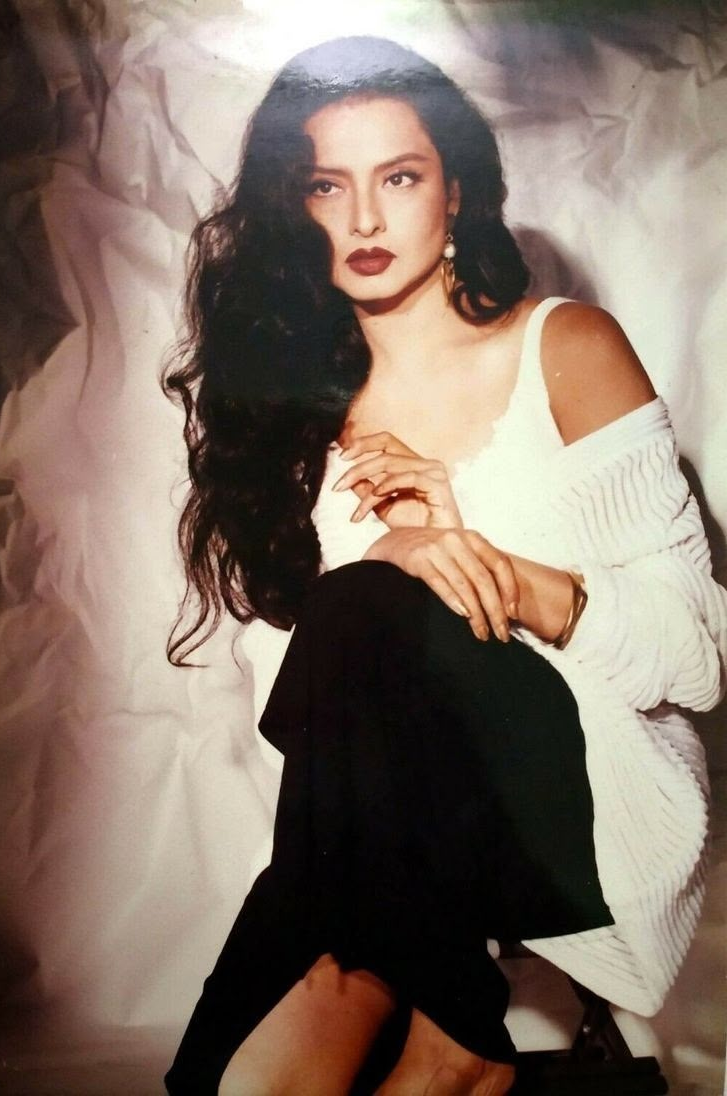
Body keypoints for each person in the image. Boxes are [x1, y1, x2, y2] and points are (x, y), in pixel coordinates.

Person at [163, 35, 726, 1096]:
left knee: (372, 598)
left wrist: (486, 569)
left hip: (578, 809)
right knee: (222, 1089)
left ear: (457, 190)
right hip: (377, 852)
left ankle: (452, 1036)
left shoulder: (563, 347)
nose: (365, 219)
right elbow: (293, 719)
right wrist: (388, 549)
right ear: (293, 208)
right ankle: (462, 1033)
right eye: (326, 185)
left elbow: (700, 659)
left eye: (400, 177)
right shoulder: (286, 423)